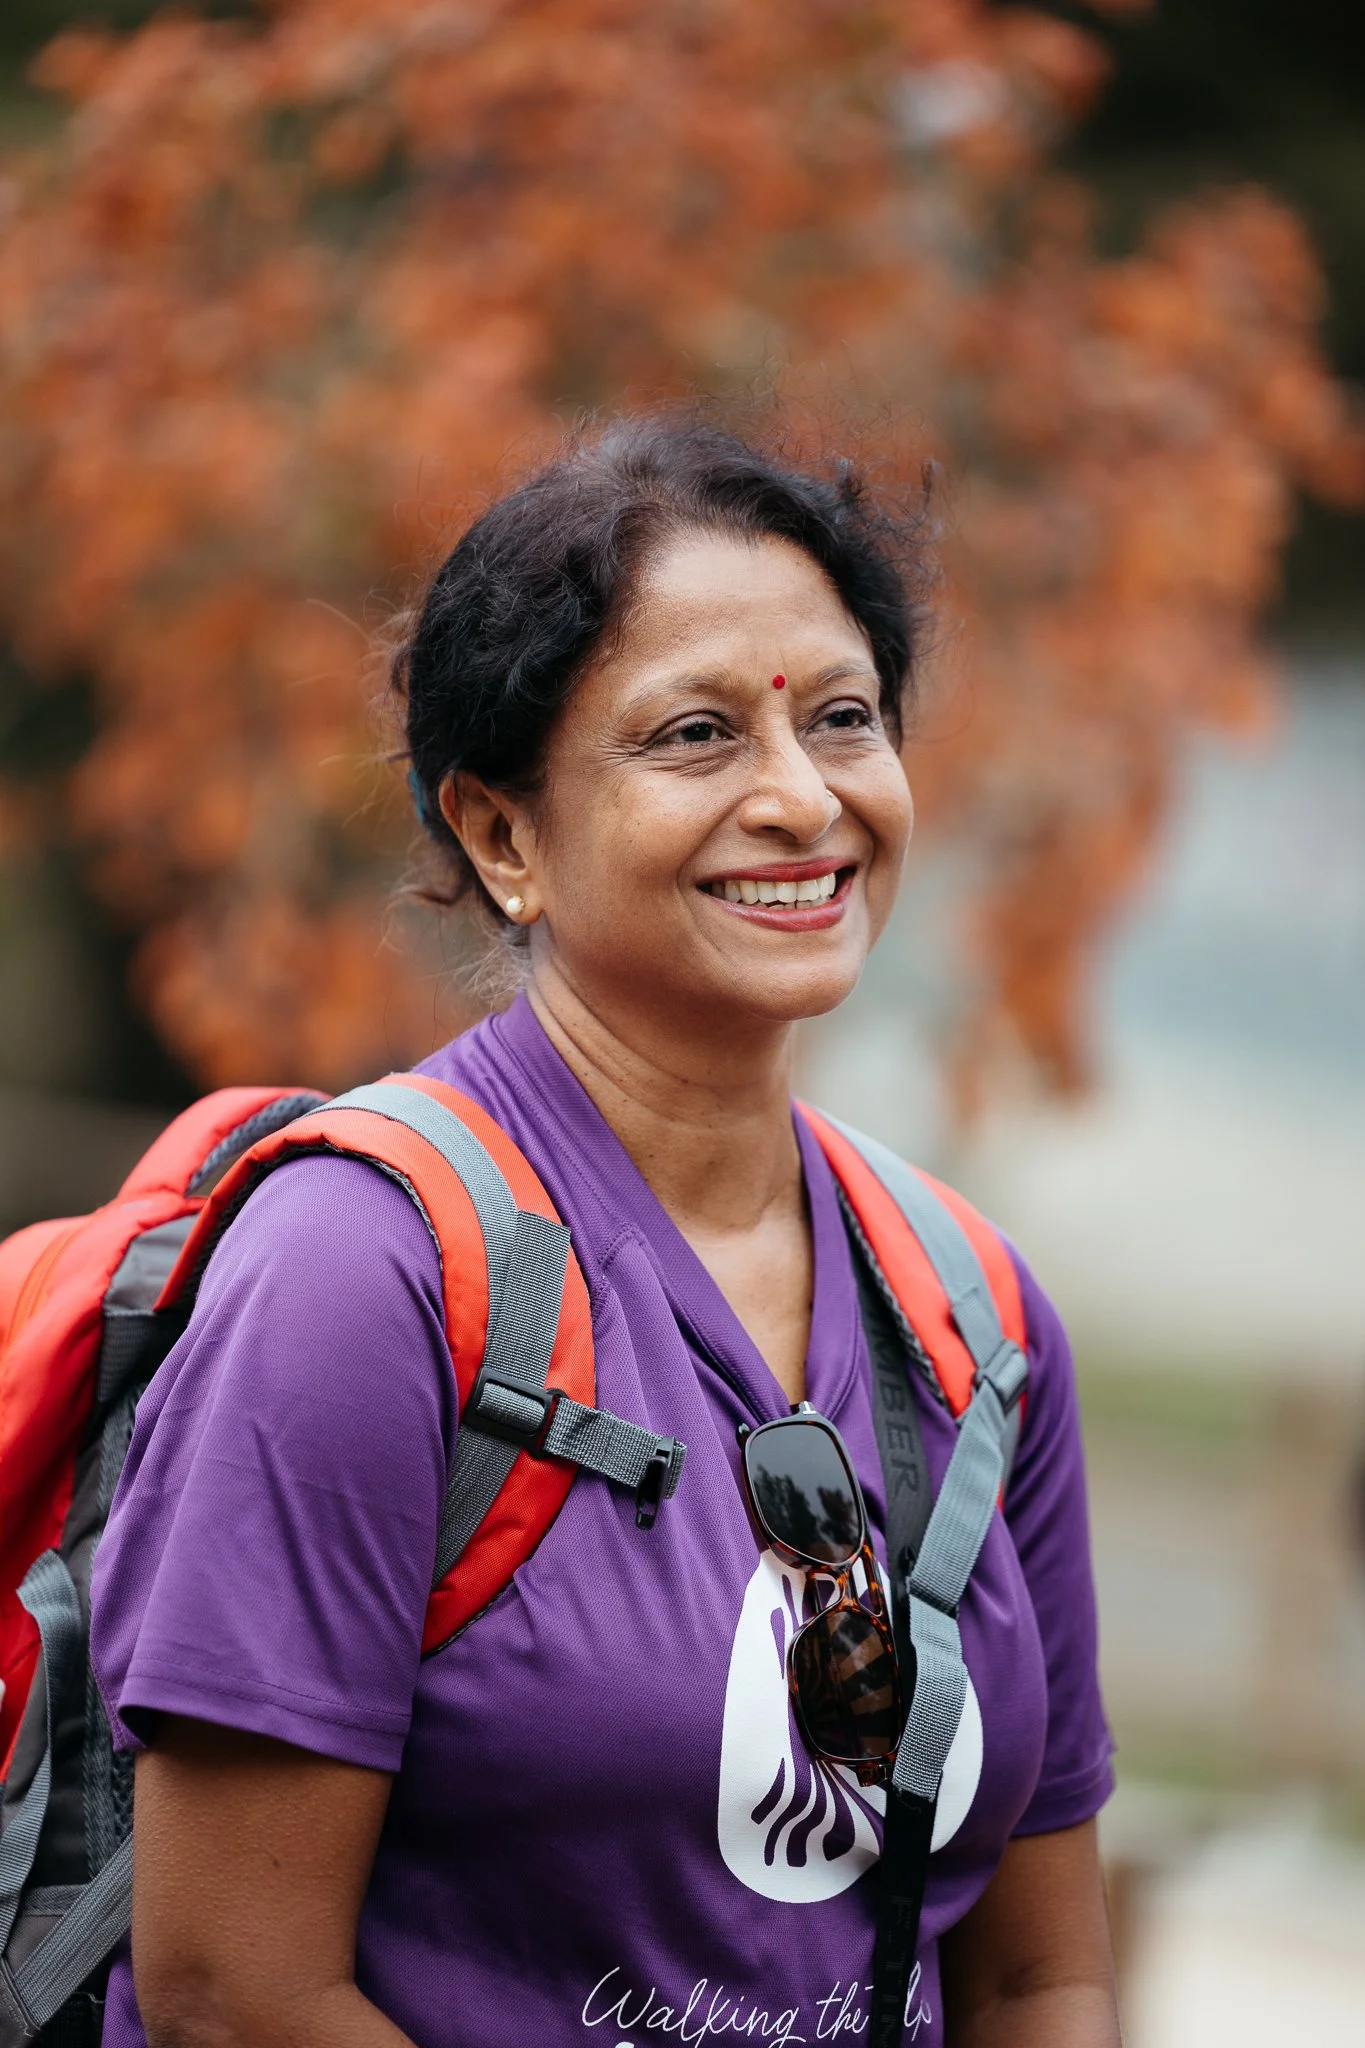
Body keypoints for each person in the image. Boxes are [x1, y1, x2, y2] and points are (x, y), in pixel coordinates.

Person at [90, 417, 1119, 2047]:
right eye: (696, 736)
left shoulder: (974, 1319)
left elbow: (1042, 1973)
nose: (803, 798)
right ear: (504, 836)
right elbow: (233, 1994)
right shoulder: (367, 1275)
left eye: (844, 718)